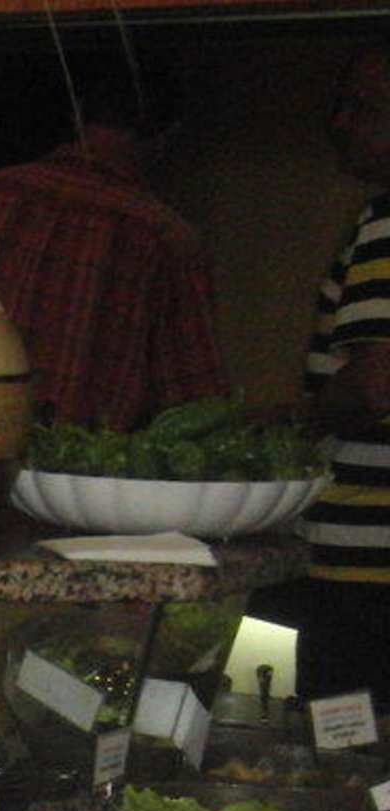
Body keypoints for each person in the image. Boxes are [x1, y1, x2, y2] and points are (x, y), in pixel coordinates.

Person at [0, 47, 226, 432]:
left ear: (79, 112)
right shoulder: (164, 238)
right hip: (72, 463)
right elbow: (193, 405)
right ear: (165, 136)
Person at [254, 37, 390, 707]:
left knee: (337, 746)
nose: (340, 123)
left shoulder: (388, 222)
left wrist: (295, 426)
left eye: (363, 107)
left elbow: (375, 384)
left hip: (361, 567)